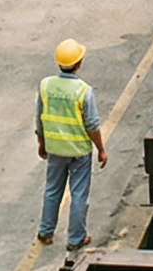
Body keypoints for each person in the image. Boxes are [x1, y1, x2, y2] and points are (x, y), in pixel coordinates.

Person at [35, 39, 107, 248]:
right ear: (79, 64)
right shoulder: (84, 91)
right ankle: (75, 239)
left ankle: (45, 232)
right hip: (79, 152)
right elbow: (92, 125)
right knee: (78, 195)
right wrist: (101, 149)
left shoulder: (46, 85)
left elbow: (39, 118)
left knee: (52, 190)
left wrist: (42, 143)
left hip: (55, 149)